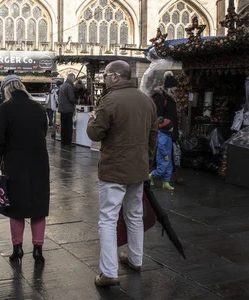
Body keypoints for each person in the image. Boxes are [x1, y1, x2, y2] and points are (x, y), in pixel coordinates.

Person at [86, 60, 158, 287]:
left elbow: (95, 134)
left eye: (106, 75)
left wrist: (91, 122)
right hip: (138, 168)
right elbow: (153, 135)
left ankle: (109, 272)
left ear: (116, 76)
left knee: (108, 218)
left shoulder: (109, 101)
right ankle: (136, 259)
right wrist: (146, 160)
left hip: (114, 170)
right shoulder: (147, 100)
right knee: (134, 215)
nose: (104, 79)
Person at [0, 75, 50, 265]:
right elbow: (44, 132)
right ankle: (38, 251)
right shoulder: (38, 108)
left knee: (16, 207)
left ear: (6, 90)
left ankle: (17, 250)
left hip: (15, 163)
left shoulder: (5, 109)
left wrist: (1, 151)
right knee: (38, 206)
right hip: (39, 162)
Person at [152, 71, 183, 184]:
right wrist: (165, 128)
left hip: (171, 131)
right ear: (169, 88)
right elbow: (158, 116)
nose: (176, 90)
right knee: (164, 153)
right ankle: (154, 174)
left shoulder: (171, 99)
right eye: (175, 88)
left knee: (173, 153)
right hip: (164, 131)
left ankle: (170, 175)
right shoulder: (161, 98)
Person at [149, 117, 175, 191]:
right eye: (171, 128)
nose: (172, 128)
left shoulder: (167, 136)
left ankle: (166, 183)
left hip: (167, 156)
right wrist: (165, 155)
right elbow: (161, 146)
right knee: (162, 170)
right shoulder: (163, 137)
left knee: (169, 169)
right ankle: (150, 175)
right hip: (163, 157)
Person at [58, 73, 76, 146]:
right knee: (68, 127)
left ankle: (63, 141)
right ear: (71, 78)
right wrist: (76, 101)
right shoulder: (69, 86)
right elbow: (71, 98)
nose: (74, 81)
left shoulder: (62, 86)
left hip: (62, 109)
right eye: (73, 79)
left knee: (63, 126)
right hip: (68, 109)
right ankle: (68, 142)